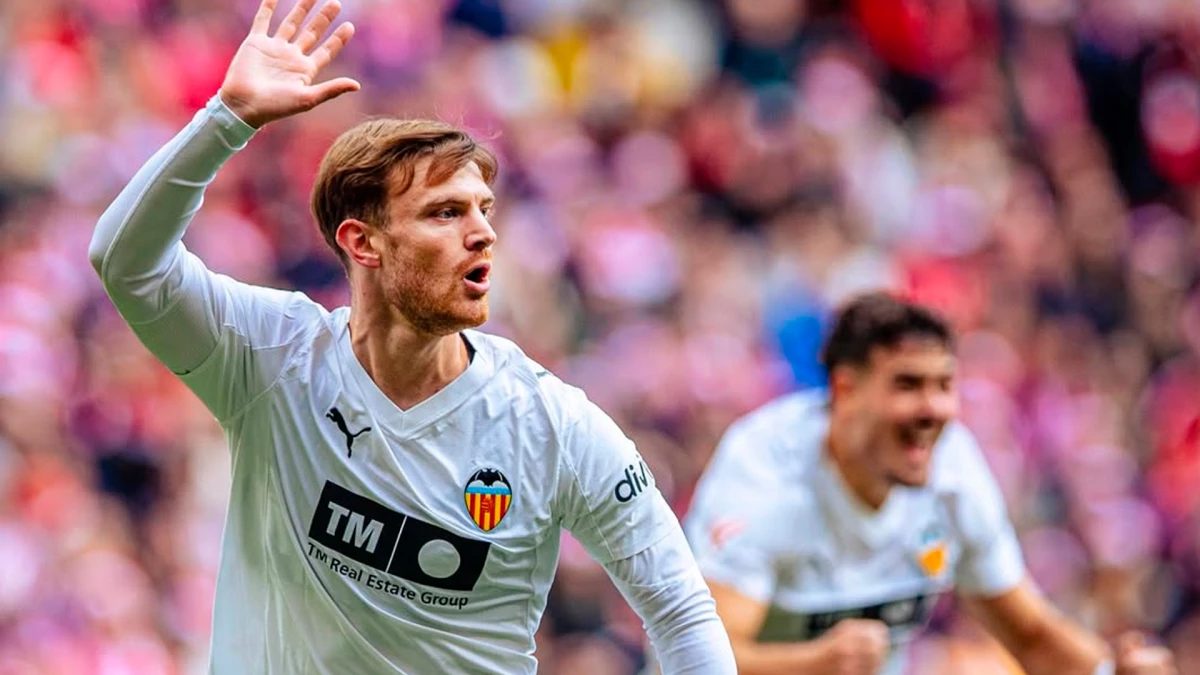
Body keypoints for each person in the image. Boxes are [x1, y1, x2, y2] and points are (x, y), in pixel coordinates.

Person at [87, 0, 737, 672]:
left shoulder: (552, 425)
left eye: (484, 210)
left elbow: (681, 608)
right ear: (361, 242)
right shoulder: (272, 359)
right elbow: (126, 264)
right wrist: (226, 120)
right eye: (445, 212)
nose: (482, 232)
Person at [684, 292, 1177, 675]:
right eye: (907, 385)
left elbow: (1030, 635)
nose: (934, 411)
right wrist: (813, 664)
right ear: (844, 390)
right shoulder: (764, 476)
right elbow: (693, 660)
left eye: (944, 386)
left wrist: (1111, 671)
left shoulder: (954, 470)